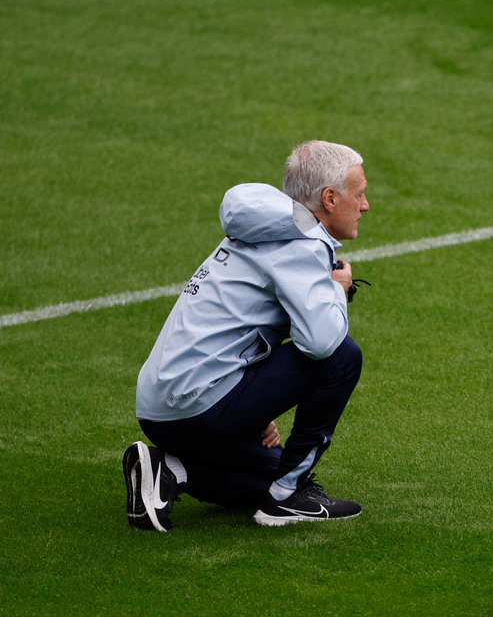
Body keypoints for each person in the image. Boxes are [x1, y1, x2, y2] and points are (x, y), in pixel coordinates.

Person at [125, 140, 370, 531]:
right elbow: (322, 343)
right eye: (359, 194)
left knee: (270, 472)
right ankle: (287, 498)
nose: (365, 205)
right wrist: (337, 290)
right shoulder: (300, 242)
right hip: (198, 406)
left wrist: (254, 411)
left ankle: (170, 470)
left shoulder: (262, 225)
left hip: (161, 407)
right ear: (329, 198)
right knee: (343, 357)